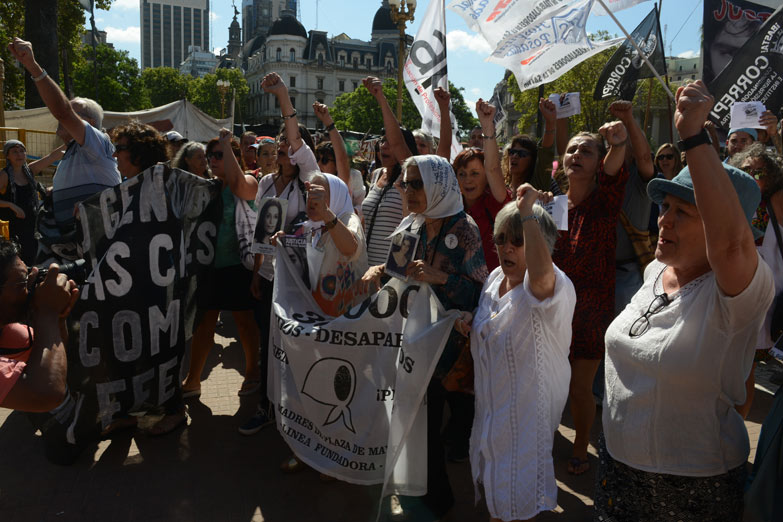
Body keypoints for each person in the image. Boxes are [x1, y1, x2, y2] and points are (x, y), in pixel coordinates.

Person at [597, 81, 774, 521]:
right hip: (618, 471)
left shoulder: (737, 292)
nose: (664, 220)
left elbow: (731, 247)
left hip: (692, 487)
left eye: (684, 212)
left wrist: (694, 136)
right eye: (665, 207)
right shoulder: (656, 271)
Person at [364, 154, 488, 520]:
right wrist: (376, 271)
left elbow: (480, 292)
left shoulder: (463, 229)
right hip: (412, 343)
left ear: (437, 185)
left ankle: (437, 500)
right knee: (417, 424)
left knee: (429, 427)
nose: (408, 191)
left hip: (445, 351)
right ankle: (425, 491)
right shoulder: (411, 227)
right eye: (405, 182)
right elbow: (395, 273)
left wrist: (440, 277)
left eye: (417, 184)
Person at [464, 186, 576, 522]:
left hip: (526, 418)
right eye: (500, 239)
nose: (506, 248)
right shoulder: (496, 278)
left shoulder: (551, 285)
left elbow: (540, 276)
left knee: (514, 498)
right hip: (492, 412)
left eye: (518, 239)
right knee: (496, 493)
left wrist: (527, 211)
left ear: (541, 242)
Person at [226, 72, 319, 436]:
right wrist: (256, 273)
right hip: (268, 279)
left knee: (295, 346)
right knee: (268, 342)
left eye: (287, 148)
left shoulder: (309, 181)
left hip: (299, 280)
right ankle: (266, 406)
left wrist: (282, 95)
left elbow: (307, 237)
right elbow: (264, 234)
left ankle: (300, 411)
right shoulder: (265, 183)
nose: (282, 150)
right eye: (279, 148)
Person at [551, 120, 629, 476]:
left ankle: (581, 446)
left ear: (598, 160)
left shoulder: (605, 198)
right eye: (572, 149)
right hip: (552, 307)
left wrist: (618, 141)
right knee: (550, 382)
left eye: (586, 150)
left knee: (580, 388)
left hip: (591, 309)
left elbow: (614, 169)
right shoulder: (551, 203)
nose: (577, 155)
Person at [8, 38, 120, 232]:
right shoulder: (70, 153)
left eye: (74, 113)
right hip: (70, 244)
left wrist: (32, 66)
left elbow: (62, 111)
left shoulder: (97, 140)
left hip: (96, 243)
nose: (62, 117)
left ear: (90, 123)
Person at [181, 130, 261, 400]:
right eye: (209, 155)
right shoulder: (207, 187)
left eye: (218, 155)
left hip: (238, 264)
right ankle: (192, 380)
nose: (211, 160)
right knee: (203, 324)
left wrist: (227, 145)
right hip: (209, 266)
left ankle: (252, 374)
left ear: (234, 158)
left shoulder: (248, 182)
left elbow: (241, 187)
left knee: (244, 322)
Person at [730, 142, 783, 418]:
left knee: (745, 370)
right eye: (747, 170)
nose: (754, 176)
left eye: (761, 172)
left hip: (768, 301)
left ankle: (737, 428)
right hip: (736, 295)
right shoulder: (735, 203)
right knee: (731, 368)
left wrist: (776, 134)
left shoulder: (776, 201)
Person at [0, 239, 79, 412]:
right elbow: (46, 394)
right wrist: (48, 313)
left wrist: (57, 318)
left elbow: (50, 360)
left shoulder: (8, 332)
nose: (30, 286)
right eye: (22, 282)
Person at [359, 76, 419, 267]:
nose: (384, 146)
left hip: (388, 271)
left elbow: (408, 225)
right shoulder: (376, 175)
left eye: (389, 142)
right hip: (362, 270)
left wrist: (381, 98)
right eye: (381, 141)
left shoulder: (410, 178)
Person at [0, 140, 62, 265]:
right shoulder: (4, 175)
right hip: (13, 229)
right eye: (15, 152)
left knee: (32, 259)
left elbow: (52, 156)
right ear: (7, 156)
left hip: (31, 227)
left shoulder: (29, 170)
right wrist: (11, 206)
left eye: (22, 151)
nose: (19, 154)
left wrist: (71, 139)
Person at [501, 101, 559, 194]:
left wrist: (550, 122)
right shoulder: (500, 188)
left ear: (532, 160)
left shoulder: (536, 186)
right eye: (512, 152)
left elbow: (545, 153)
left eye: (522, 154)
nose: (514, 156)